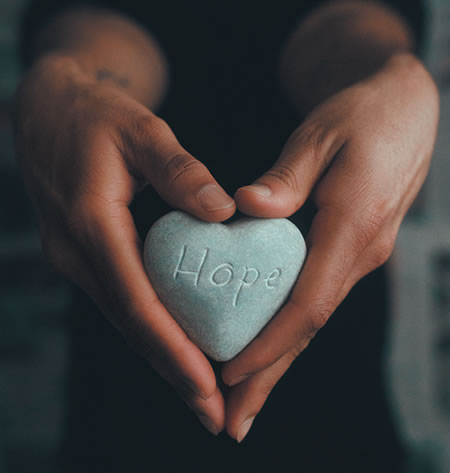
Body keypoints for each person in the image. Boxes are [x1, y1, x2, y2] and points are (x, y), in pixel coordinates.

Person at [14, 0, 438, 471]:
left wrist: (387, 76)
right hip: (122, 403)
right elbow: (99, 21)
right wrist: (71, 80)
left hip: (337, 390)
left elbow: (348, 29)